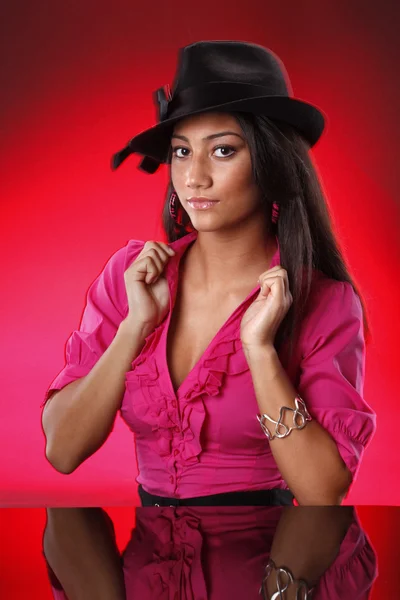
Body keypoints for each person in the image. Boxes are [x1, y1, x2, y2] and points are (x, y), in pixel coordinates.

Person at [41, 40, 376, 506]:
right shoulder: (132, 275)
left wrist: (260, 352)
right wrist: (135, 326)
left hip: (265, 560)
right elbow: (62, 450)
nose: (194, 177)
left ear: (271, 162)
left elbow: (322, 492)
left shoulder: (324, 301)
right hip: (150, 565)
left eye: (222, 151)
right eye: (181, 152)